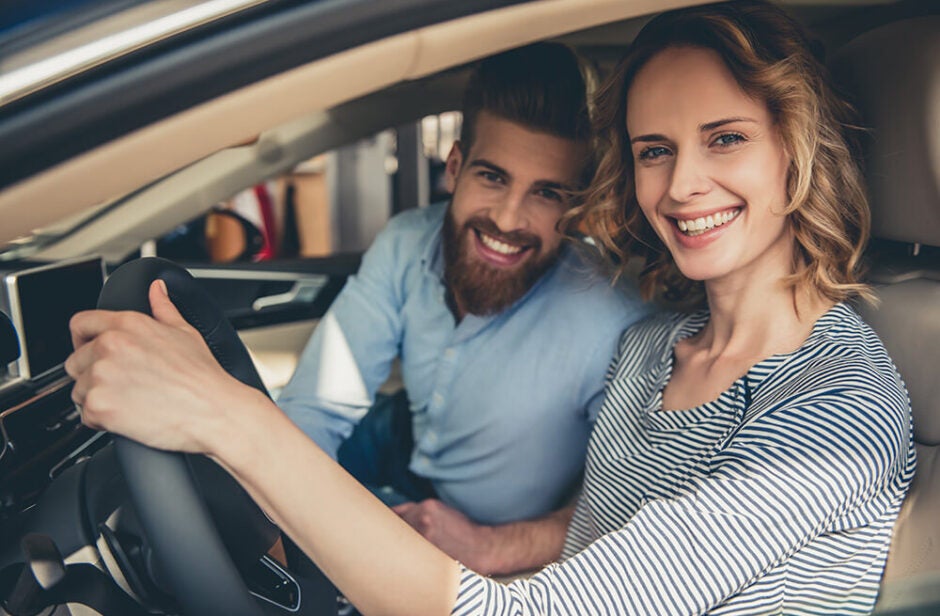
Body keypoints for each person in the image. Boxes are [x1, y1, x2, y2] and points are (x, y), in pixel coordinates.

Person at [67, 1, 915, 614]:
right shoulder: (656, 347)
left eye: (725, 138)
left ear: (798, 150)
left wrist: (221, 415)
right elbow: (596, 537)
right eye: (655, 150)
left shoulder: (834, 412)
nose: (682, 184)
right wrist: (487, 547)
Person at [287, 41, 653, 575]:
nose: (508, 218)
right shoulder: (406, 242)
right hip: (396, 438)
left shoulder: (615, 324)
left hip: (487, 524)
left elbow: (628, 512)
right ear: (455, 167)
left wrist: (494, 547)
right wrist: (271, 518)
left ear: (574, 204)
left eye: (546, 193)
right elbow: (317, 407)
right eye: (493, 177)